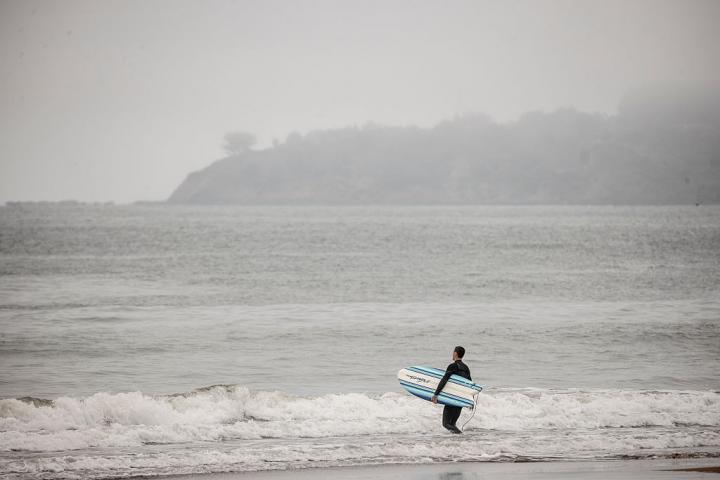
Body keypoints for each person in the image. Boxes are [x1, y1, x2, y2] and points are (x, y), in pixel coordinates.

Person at [431, 346, 471, 434]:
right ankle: (457, 441)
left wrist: (436, 394)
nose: (452, 353)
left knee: (446, 423)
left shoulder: (452, 366)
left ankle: (461, 436)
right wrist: (469, 400)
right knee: (452, 423)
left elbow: (444, 380)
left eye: (453, 352)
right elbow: (470, 384)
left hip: (452, 398)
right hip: (461, 398)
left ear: (456, 353)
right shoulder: (466, 368)